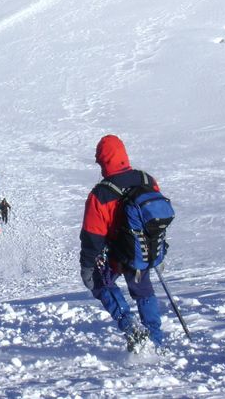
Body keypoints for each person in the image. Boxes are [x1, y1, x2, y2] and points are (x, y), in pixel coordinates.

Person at [79, 134, 164, 350]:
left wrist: (87, 266)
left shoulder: (102, 193)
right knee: (144, 292)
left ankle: (130, 326)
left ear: (104, 160)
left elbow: (92, 236)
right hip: (144, 250)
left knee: (100, 282)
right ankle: (155, 341)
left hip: (117, 255)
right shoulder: (147, 180)